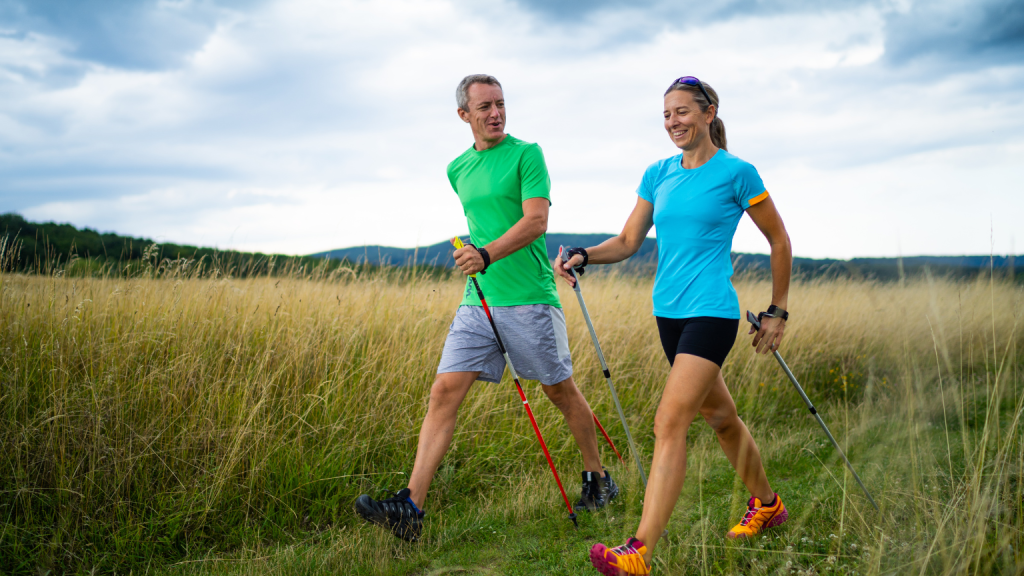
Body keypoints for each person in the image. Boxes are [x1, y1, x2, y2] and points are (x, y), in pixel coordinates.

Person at [354, 74, 619, 542]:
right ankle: (411, 509)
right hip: (479, 300)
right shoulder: (457, 168)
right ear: (464, 115)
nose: (495, 113)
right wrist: (473, 253)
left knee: (560, 392)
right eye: (484, 107)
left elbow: (536, 222)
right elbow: (482, 224)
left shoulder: (526, 154)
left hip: (530, 298)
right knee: (443, 392)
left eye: (500, 104)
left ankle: (598, 480)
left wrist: (488, 253)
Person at [555, 76, 793, 575]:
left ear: (709, 114)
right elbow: (626, 240)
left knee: (669, 422)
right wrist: (585, 254)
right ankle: (768, 506)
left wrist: (777, 310)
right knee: (721, 419)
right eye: (666, 115)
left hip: (711, 312)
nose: (672, 123)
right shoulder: (657, 173)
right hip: (668, 315)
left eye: (682, 112)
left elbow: (778, 240)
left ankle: (638, 551)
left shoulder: (737, 173)